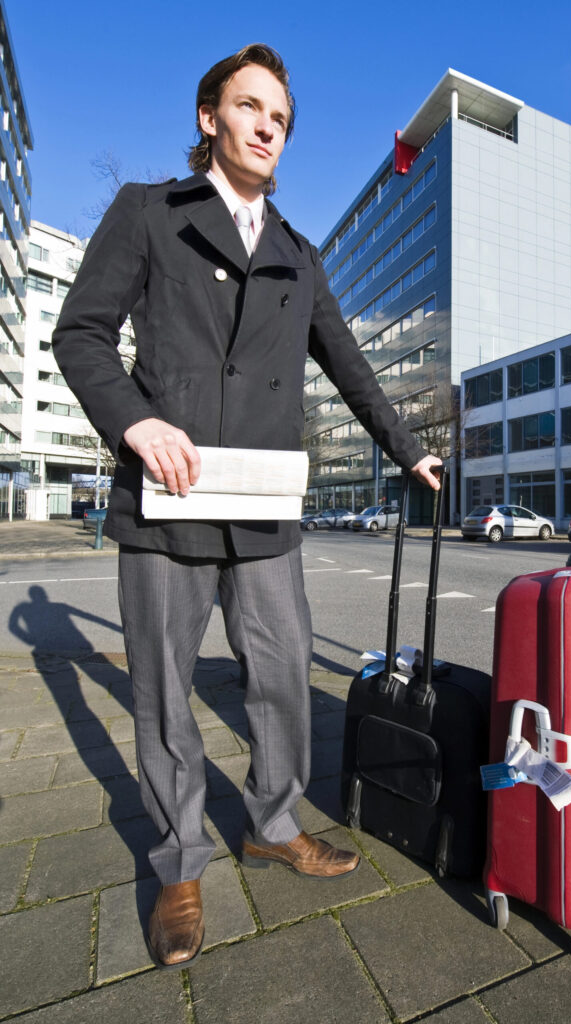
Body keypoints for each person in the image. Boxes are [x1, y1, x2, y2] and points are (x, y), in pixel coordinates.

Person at [53, 43, 441, 970]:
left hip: (263, 509)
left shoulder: (299, 255)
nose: (269, 125)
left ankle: (272, 821)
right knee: (161, 692)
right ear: (209, 118)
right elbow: (81, 333)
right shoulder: (149, 213)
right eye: (251, 107)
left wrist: (407, 447)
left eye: (281, 117)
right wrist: (134, 424)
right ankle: (180, 861)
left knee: (279, 674)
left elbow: (349, 364)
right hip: (165, 501)